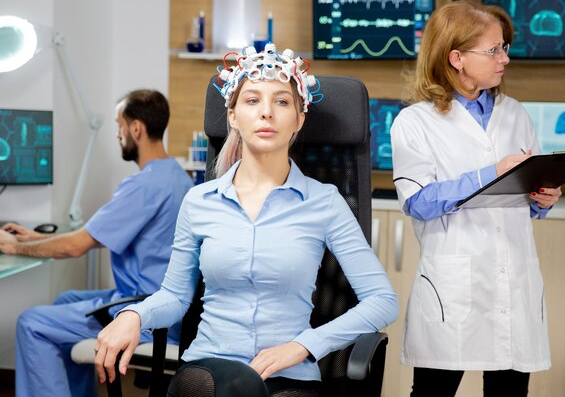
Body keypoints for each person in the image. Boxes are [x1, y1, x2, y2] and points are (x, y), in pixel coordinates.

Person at [94, 44, 399, 397]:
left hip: (289, 376)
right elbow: (176, 296)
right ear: (234, 116)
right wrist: (134, 315)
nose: (266, 113)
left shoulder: (325, 202)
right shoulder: (200, 201)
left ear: (299, 119)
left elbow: (382, 300)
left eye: (282, 102)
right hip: (207, 371)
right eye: (252, 100)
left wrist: (303, 346)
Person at [390, 2, 562, 397]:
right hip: (453, 289)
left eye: (505, 48)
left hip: (514, 279)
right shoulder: (415, 122)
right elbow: (417, 201)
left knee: (509, 391)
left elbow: (526, 200)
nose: (505, 59)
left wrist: (543, 199)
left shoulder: (515, 113)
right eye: (494, 50)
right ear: (457, 58)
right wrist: (492, 172)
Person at [0, 89, 194, 397]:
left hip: (145, 311)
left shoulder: (143, 186)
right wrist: (37, 238)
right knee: (65, 299)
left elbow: (76, 246)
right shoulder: (177, 177)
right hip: (164, 304)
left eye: (120, 125)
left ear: (136, 128)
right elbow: (99, 234)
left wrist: (14, 247)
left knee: (31, 323)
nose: (118, 134)